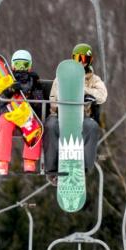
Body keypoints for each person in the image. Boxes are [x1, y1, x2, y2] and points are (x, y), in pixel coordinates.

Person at [43, 43, 108, 182]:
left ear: (89, 61)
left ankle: (84, 167)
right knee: (50, 126)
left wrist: (85, 91)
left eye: (84, 58)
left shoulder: (94, 80)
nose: (80, 62)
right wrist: (59, 106)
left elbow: (102, 95)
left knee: (92, 127)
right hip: (60, 115)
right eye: (77, 58)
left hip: (82, 116)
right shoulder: (61, 77)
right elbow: (53, 98)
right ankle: (51, 169)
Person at [0, 49, 44, 176]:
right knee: (4, 123)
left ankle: (30, 160)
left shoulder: (32, 82)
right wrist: (9, 90)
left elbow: (38, 105)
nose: (21, 68)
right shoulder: (6, 80)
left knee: (36, 125)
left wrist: (36, 87)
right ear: (12, 66)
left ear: (29, 66)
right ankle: (2, 161)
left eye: (24, 65)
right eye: (18, 64)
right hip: (9, 113)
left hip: (26, 114)